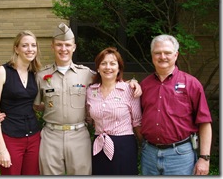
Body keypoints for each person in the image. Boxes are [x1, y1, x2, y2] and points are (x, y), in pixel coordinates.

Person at [33, 23, 142, 175]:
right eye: (59, 45)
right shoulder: (40, 76)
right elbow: (34, 105)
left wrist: (132, 82)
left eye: (67, 45)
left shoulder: (86, 74)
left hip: (78, 135)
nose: (63, 49)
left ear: (74, 47)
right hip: (51, 135)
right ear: (52, 47)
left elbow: (109, 78)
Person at [139, 34, 212, 175]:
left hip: (180, 155)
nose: (162, 56)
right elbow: (138, 118)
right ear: (152, 55)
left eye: (167, 53)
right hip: (149, 154)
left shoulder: (192, 84)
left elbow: (204, 122)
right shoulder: (145, 85)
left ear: (176, 55)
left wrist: (204, 158)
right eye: (157, 53)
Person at [0, 30, 42, 175]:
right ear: (16, 49)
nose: (30, 49)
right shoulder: (2, 72)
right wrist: (2, 149)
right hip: (10, 138)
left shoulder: (35, 74)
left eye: (33, 45)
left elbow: (34, 104)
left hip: (34, 137)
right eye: (25, 45)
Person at [86, 47, 142, 175]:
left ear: (119, 68)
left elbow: (137, 122)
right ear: (98, 68)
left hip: (124, 145)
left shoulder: (129, 90)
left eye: (112, 63)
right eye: (103, 63)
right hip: (99, 144)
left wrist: (143, 145)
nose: (108, 67)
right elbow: (88, 118)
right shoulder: (91, 91)